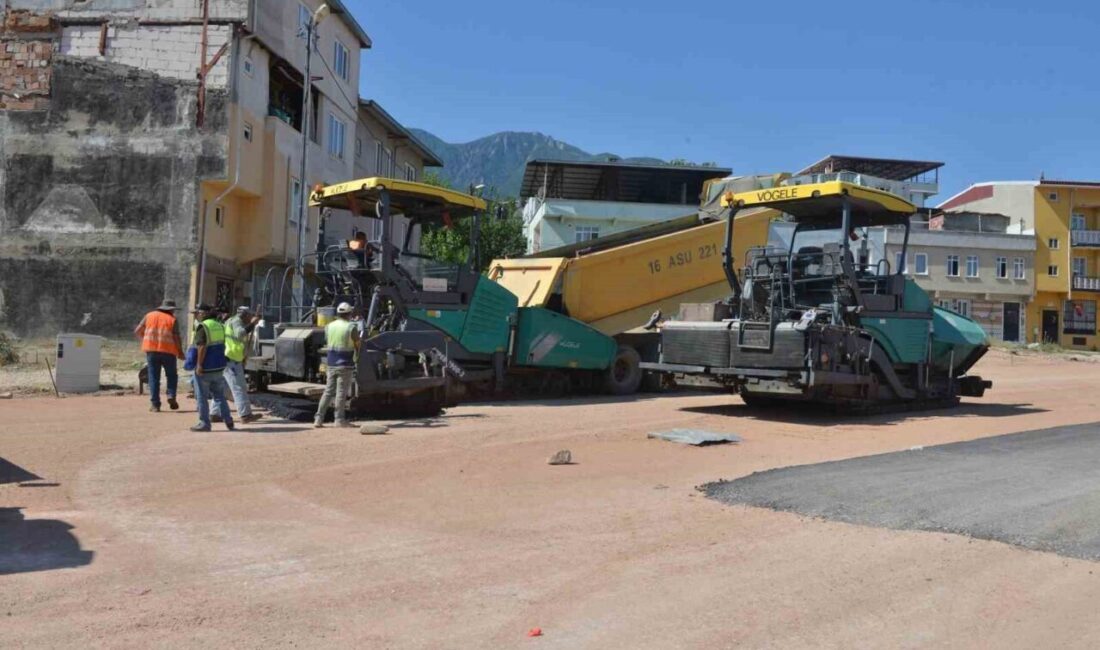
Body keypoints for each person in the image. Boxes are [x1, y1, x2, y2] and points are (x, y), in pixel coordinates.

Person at [186, 303, 235, 432]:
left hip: (205, 368)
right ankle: (228, 420)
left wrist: (199, 365)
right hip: (218, 367)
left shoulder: (203, 326)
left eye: (198, 312)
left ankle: (204, 423)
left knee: (202, 397)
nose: (197, 315)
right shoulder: (219, 325)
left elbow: (202, 347)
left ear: (204, 313)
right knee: (219, 396)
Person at [314, 302, 360, 428]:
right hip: (345, 364)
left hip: (331, 363)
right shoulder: (351, 327)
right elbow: (358, 345)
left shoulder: (329, 326)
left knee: (328, 391)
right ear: (349, 314)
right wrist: (356, 358)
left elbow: (327, 340)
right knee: (341, 393)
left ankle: (318, 419)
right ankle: (339, 420)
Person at [134, 299, 184, 413]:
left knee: (153, 377)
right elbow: (176, 337)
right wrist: (180, 352)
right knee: (171, 375)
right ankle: (171, 395)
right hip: (169, 352)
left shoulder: (149, 316)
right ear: (171, 310)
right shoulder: (172, 319)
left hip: (151, 351)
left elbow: (137, 331)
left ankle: (155, 404)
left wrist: (145, 340)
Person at [219, 306, 262, 423]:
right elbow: (240, 334)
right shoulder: (237, 322)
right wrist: (252, 324)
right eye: (249, 315)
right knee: (239, 387)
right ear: (244, 314)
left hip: (229, 358)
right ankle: (245, 414)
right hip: (231, 359)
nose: (250, 317)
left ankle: (215, 413)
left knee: (223, 388)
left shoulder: (230, 321)